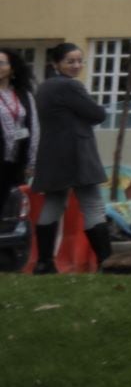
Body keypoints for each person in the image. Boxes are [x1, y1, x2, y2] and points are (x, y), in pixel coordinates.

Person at [27, 43, 107, 269]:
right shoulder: (71, 87)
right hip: (77, 154)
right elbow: (97, 114)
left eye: (80, 61)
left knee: (53, 203)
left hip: (52, 155)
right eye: (70, 61)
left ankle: (44, 262)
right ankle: (107, 260)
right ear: (56, 64)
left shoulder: (44, 87)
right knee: (92, 205)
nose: (77, 66)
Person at [0, 48, 30, 266]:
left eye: (2, 63)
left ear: (12, 68)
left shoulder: (22, 95)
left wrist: (32, 160)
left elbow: (34, 127)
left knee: (11, 208)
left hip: (15, 161)